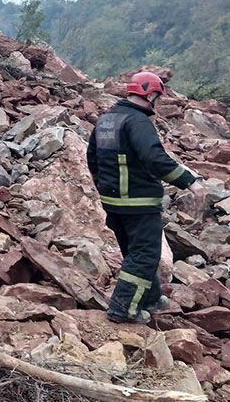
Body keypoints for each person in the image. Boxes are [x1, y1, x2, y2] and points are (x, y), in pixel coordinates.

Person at [86, 71, 205, 324]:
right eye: (157, 97)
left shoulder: (107, 120)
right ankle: (122, 308)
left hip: (113, 202)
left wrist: (104, 188)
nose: (158, 103)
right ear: (149, 94)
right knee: (145, 255)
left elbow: (93, 159)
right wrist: (189, 181)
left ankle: (150, 297)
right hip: (138, 203)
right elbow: (154, 158)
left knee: (135, 252)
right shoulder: (138, 122)